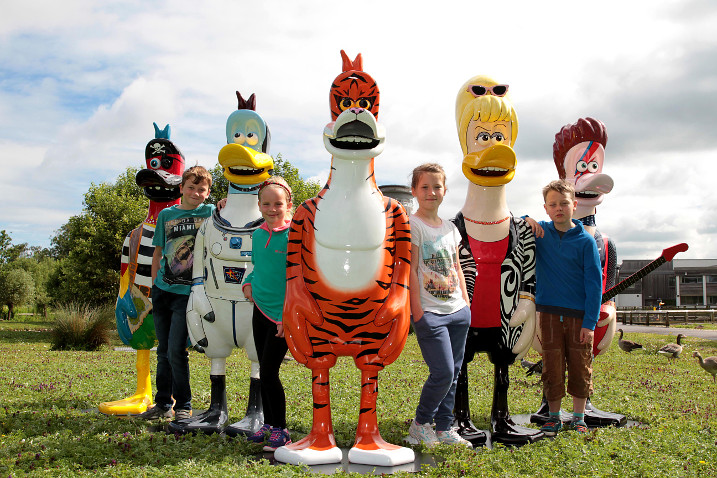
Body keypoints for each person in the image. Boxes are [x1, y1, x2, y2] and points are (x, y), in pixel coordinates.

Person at [138, 165, 215, 422]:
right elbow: (158, 252)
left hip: (188, 293)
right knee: (163, 351)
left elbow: (231, 215)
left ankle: (183, 404)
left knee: (176, 350)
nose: (195, 192)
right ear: (181, 188)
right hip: (162, 290)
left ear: (208, 193)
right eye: (191, 187)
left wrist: (224, 203)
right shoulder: (166, 215)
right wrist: (152, 287)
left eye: (201, 189)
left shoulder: (211, 212)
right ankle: (163, 404)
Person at [528, 179, 602, 435]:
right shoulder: (541, 234)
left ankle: (579, 417)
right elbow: (512, 221)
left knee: (581, 366)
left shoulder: (585, 241)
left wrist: (589, 323)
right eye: (553, 204)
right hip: (548, 313)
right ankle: (554, 416)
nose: (558, 208)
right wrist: (527, 218)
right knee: (552, 365)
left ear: (575, 205)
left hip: (578, 316)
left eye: (564, 203)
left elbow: (594, 285)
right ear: (546, 208)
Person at [407, 163, 472, 448]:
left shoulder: (450, 227)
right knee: (443, 371)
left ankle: (445, 428)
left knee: (454, 372)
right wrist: (417, 310)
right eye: (425, 187)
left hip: (458, 310)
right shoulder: (414, 225)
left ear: (445, 190)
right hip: (430, 312)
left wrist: (466, 302)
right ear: (414, 191)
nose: (431, 192)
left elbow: (456, 265)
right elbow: (409, 269)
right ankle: (421, 425)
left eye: (437, 186)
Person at [242, 176, 294, 451]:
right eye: (267, 204)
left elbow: (298, 279)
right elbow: (256, 267)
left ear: (288, 205)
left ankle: (281, 430)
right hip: (259, 308)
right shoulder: (258, 234)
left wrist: (288, 316)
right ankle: (270, 425)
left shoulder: (294, 235)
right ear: (259, 206)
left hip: (281, 315)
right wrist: (248, 283)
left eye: (278, 204)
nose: (272, 209)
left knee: (271, 371)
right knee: (263, 370)